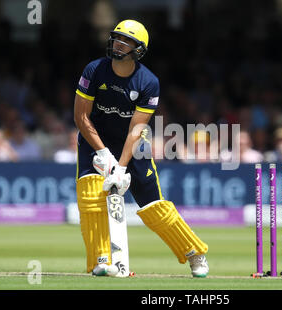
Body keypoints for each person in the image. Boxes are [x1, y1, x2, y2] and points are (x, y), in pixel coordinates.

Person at [73, 20, 208, 277]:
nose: (118, 44)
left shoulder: (148, 82)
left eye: (126, 41)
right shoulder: (94, 70)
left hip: (132, 147)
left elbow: (136, 130)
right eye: (116, 38)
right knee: (90, 195)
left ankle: (194, 252)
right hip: (94, 142)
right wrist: (103, 154)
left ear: (139, 49)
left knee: (152, 208)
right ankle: (100, 259)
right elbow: (81, 117)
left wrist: (121, 167)